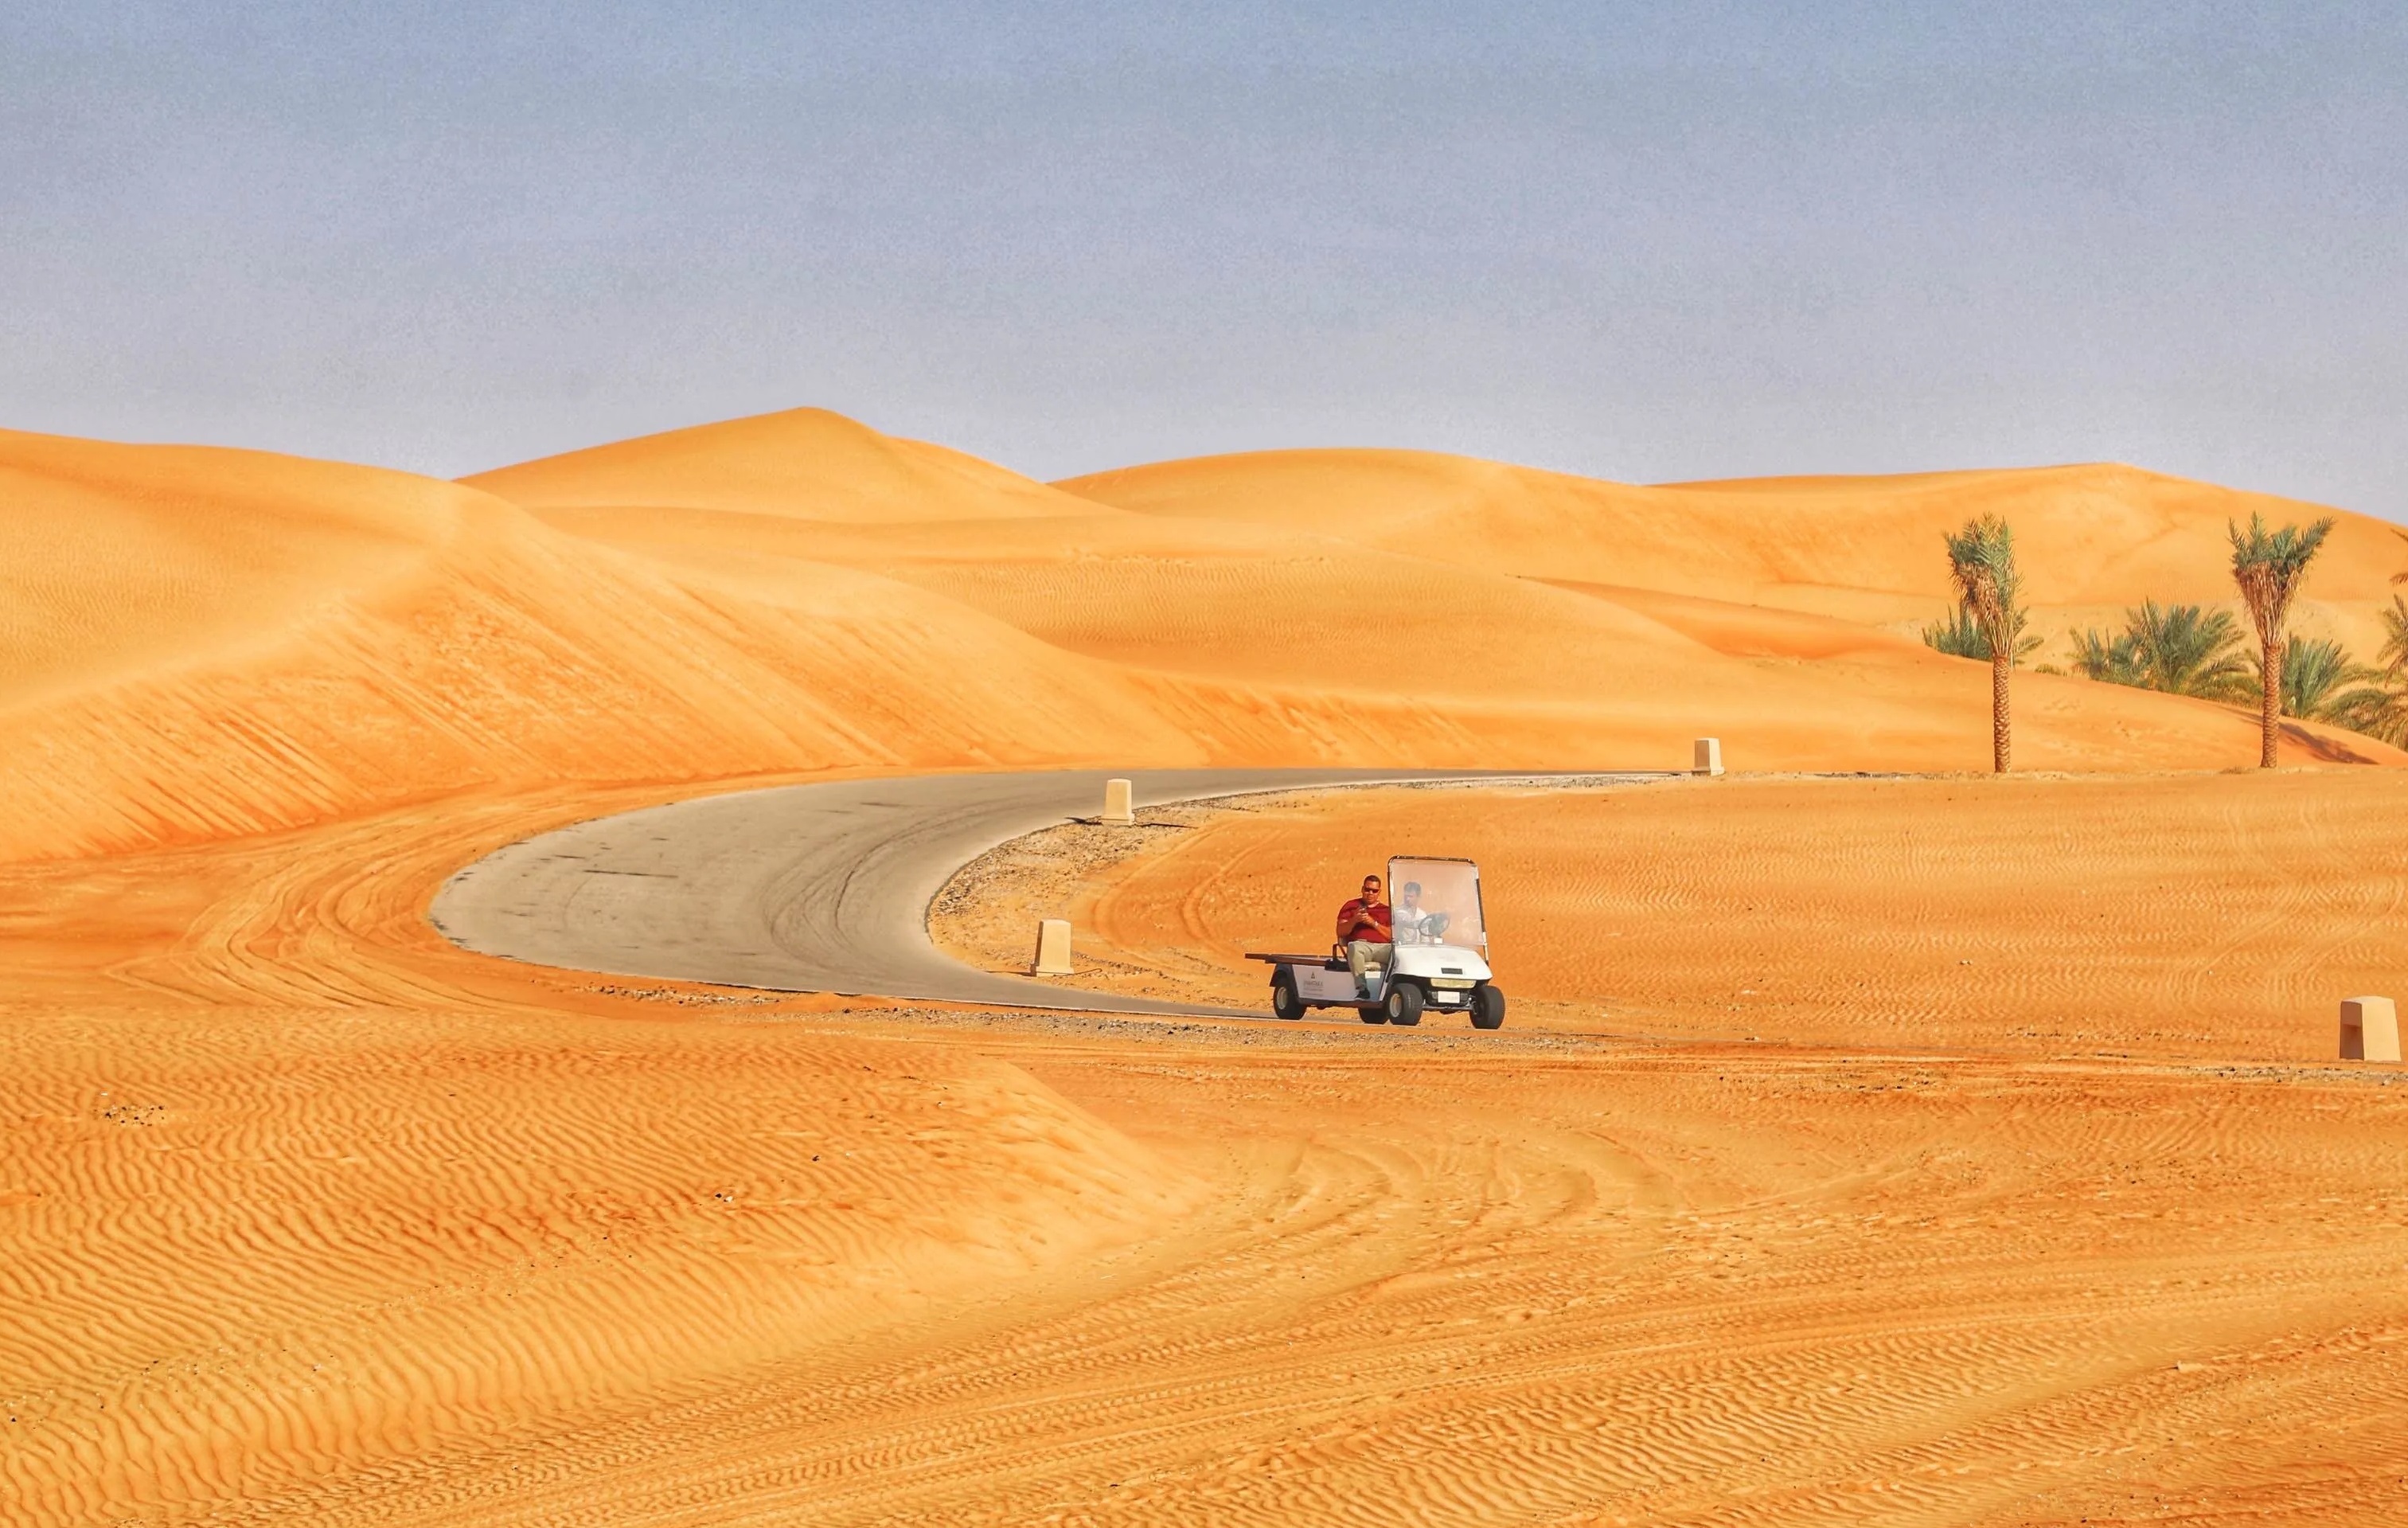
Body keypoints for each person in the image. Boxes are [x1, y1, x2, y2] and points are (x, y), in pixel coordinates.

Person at [1335, 873, 1392, 995]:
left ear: (1379, 892)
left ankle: (1396, 989)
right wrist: (1354, 920)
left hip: (1383, 948)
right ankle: (1362, 988)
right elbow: (1340, 931)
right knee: (1354, 948)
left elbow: (1392, 936)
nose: (1370, 893)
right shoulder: (1351, 906)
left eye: (1374, 891)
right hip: (1362, 946)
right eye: (1367, 889)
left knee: (1400, 953)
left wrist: (1373, 923)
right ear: (1362, 889)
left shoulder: (1386, 911)